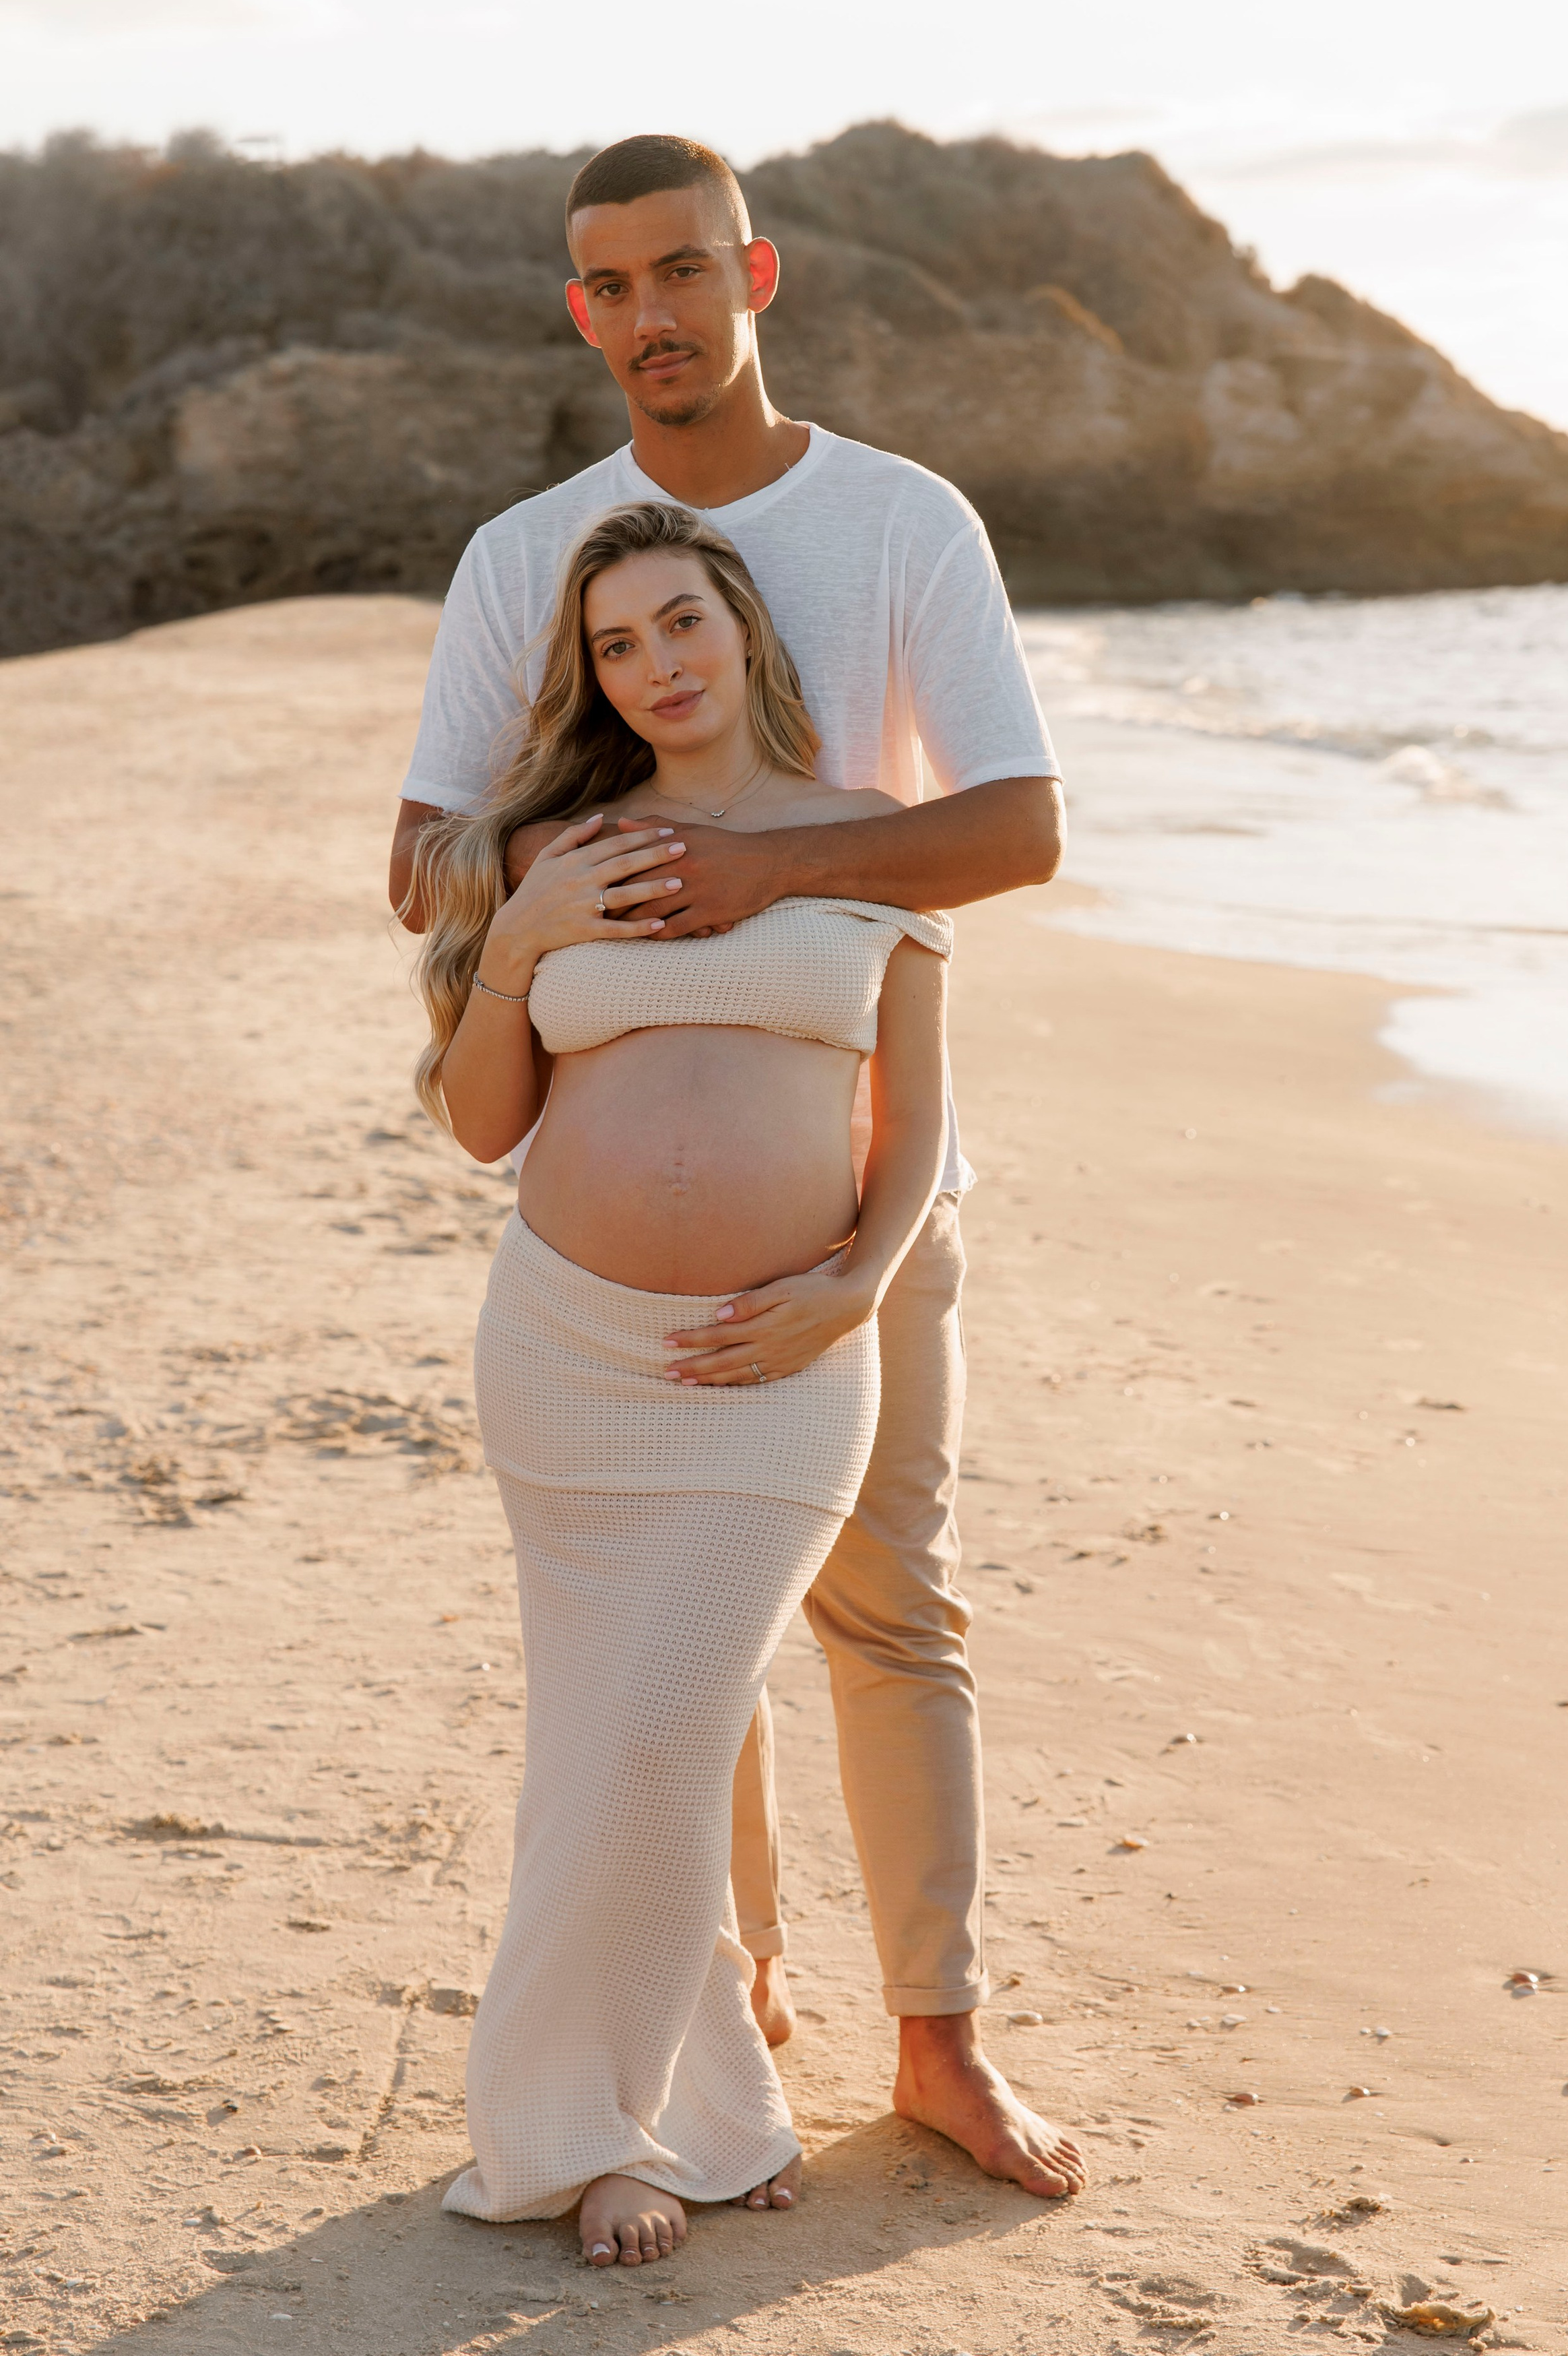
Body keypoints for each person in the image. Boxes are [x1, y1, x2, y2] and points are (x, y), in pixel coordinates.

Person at [392, 132, 1082, 2202]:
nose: (651, 314)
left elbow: (1017, 827)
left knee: (892, 1606)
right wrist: (568, 875)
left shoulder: (899, 519)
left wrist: (764, 866)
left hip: (861, 1177)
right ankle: (732, 2006)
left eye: (683, 270)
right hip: (597, 1277)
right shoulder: (534, 554)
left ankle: (939, 2042)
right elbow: (424, 852)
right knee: (687, 1646)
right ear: (580, 312)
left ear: (754, 271)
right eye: (608, 286)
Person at [419, 498, 956, 2258]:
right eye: (616, 646)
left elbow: (917, 1125)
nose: (656, 666)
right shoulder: (558, 849)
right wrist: (515, 936)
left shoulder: (878, 841)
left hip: (784, 1368)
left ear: (746, 628)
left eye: (680, 623)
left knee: (655, 1732)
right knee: (624, 1742)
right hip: (569, 1355)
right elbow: (487, 1121)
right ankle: (683, 2115)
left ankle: (593, 2126)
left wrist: (856, 1296)